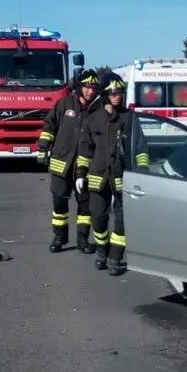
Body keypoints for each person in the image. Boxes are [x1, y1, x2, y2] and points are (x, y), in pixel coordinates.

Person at [76, 72, 149, 275]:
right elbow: (85, 149)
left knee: (122, 221)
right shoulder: (93, 119)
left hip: (123, 178)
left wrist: (141, 172)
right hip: (98, 177)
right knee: (98, 219)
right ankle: (103, 251)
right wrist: (80, 173)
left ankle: (116, 258)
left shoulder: (130, 118)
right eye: (114, 92)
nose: (118, 95)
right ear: (105, 94)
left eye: (120, 92)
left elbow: (141, 148)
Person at [36, 69, 103, 253]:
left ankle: (82, 240)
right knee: (59, 205)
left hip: (86, 167)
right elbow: (49, 125)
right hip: (61, 164)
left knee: (85, 207)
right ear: (79, 87)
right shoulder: (64, 104)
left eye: (93, 88)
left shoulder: (98, 111)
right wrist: (43, 147)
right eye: (86, 87)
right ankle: (59, 238)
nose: (90, 91)